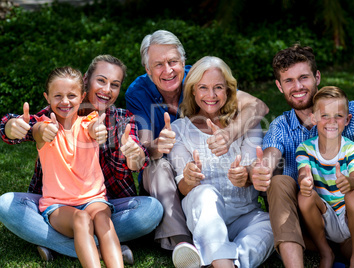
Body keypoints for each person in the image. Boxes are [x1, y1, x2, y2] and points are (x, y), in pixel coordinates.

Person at [0, 55, 163, 263]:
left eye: (114, 84)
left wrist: (135, 155)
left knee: (150, 210)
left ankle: (61, 245)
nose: (107, 89)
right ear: (87, 81)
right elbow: (31, 126)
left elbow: (125, 152)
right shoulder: (53, 115)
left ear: (80, 94)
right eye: (101, 80)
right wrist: (11, 126)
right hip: (58, 205)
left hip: (101, 202)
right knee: (6, 204)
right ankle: (97, 247)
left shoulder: (118, 119)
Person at [251, 44, 354, 267]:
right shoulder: (280, 126)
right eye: (289, 81)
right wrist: (262, 169)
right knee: (279, 182)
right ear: (279, 86)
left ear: (317, 77)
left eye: (304, 77)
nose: (298, 86)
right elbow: (271, 154)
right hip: (309, 231)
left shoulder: (348, 111)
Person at [125, 30, 269, 252]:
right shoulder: (137, 91)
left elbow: (257, 106)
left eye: (173, 61)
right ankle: (182, 241)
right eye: (158, 65)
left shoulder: (202, 77)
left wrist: (228, 135)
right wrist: (157, 145)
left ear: (183, 62)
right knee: (158, 166)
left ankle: (214, 246)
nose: (168, 70)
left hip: (210, 181)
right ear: (148, 69)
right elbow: (144, 152)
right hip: (170, 177)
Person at [167, 56, 274, 268]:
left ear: (228, 90)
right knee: (206, 193)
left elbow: (251, 170)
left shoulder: (246, 123)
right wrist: (189, 178)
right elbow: (184, 187)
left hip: (244, 214)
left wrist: (244, 178)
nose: (211, 95)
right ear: (193, 91)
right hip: (203, 215)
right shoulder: (179, 128)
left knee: (272, 224)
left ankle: (220, 260)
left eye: (218, 87)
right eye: (203, 88)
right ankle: (223, 262)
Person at [32, 66, 125, 267]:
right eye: (58, 96)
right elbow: (38, 131)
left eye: (72, 95)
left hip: (94, 200)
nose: (65, 101)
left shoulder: (88, 122)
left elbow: (94, 128)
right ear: (47, 97)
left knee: (102, 219)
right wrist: (43, 131)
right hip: (58, 206)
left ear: (82, 96)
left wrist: (98, 130)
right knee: (81, 219)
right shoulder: (45, 125)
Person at [296, 86, 354, 268]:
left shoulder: (351, 148)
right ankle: (326, 252)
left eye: (338, 116)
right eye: (324, 115)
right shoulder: (305, 148)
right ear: (313, 118)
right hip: (327, 217)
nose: (331, 121)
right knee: (304, 197)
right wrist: (305, 181)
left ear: (347, 119)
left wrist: (349, 182)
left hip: (351, 217)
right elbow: (304, 171)